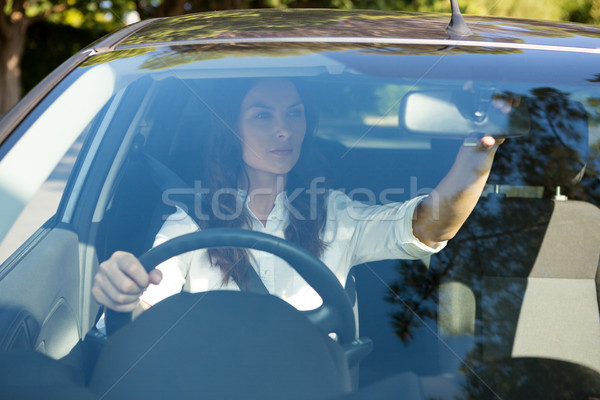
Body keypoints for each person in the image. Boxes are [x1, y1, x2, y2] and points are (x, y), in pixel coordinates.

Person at [92, 78, 503, 318]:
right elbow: (144, 310)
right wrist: (123, 291)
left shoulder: (334, 214)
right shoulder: (193, 223)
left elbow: (431, 226)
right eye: (262, 115)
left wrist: (479, 152)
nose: (284, 129)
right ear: (229, 129)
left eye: (295, 112)